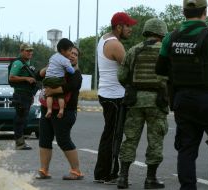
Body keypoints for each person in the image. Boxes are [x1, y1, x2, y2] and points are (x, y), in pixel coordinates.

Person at [155, 0, 208, 189]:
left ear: (183, 12)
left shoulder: (170, 38)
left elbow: (160, 69)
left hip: (182, 100)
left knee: (187, 149)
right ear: (205, 12)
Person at [117, 18, 168, 189]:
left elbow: (122, 76)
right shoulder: (165, 51)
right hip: (158, 101)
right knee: (155, 141)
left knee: (130, 139)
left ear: (146, 31)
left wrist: (134, 88)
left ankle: (122, 178)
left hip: (135, 101)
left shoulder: (134, 50)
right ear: (162, 32)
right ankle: (150, 179)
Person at [94, 12, 137, 184]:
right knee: (114, 136)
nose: (130, 29)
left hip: (107, 93)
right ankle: (109, 174)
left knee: (108, 134)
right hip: (115, 96)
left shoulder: (104, 38)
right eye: (128, 26)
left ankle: (101, 173)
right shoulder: (115, 45)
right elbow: (129, 70)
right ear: (119, 27)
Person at [36, 46, 84, 180]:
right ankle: (44, 170)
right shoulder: (55, 68)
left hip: (66, 111)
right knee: (44, 138)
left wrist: (51, 91)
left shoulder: (76, 73)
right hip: (47, 109)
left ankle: (76, 171)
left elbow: (69, 87)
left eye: (76, 54)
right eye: (70, 52)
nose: (73, 55)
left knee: (63, 140)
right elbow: (37, 76)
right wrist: (49, 66)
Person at [9, 43, 40, 150]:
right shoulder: (18, 63)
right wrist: (26, 79)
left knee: (23, 119)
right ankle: (19, 143)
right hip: (20, 95)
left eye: (31, 50)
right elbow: (11, 78)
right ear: (21, 51)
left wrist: (31, 95)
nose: (30, 52)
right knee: (20, 119)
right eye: (27, 51)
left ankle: (21, 142)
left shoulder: (28, 63)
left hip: (27, 95)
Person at [43, 38, 75, 119]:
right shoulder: (65, 60)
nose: (71, 53)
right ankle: (61, 110)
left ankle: (49, 109)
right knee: (60, 95)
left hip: (48, 79)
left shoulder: (53, 56)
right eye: (70, 50)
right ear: (62, 50)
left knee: (49, 95)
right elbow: (71, 71)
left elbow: (49, 64)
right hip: (58, 80)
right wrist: (72, 69)